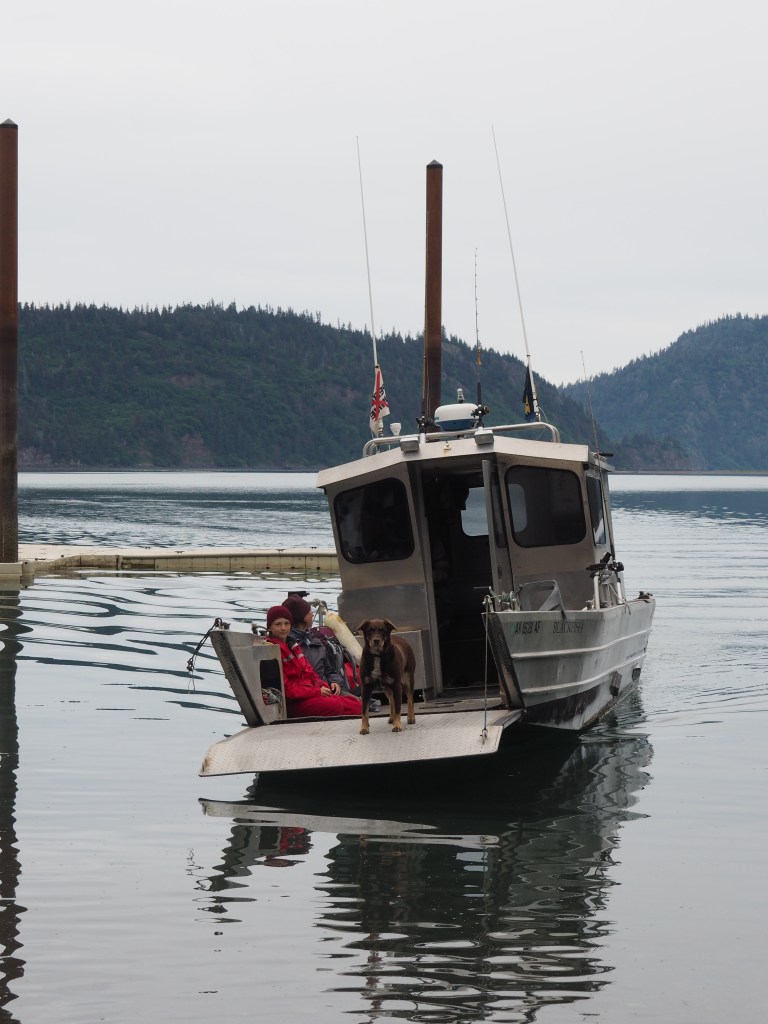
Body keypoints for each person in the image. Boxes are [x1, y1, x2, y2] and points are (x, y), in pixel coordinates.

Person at [265, 605, 361, 718]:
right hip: (294, 702)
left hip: (311, 694)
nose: (283, 628)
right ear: (269, 627)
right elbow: (287, 690)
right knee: (335, 705)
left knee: (357, 704)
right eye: (278, 624)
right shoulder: (271, 650)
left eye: (286, 623)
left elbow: (310, 673)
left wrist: (324, 686)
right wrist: (317, 692)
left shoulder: (294, 646)